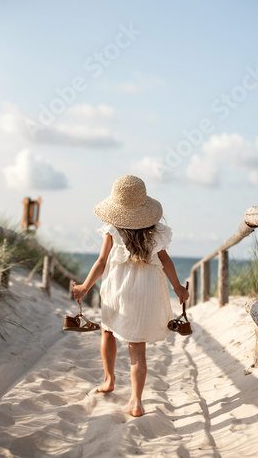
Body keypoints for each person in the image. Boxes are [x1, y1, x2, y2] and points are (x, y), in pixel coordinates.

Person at [72, 175, 189, 417]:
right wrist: (178, 288)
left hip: (118, 288)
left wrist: (84, 287)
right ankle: (136, 401)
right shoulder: (157, 232)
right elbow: (165, 261)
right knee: (137, 348)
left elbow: (102, 262)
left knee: (108, 330)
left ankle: (108, 379)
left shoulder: (112, 229)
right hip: (146, 291)